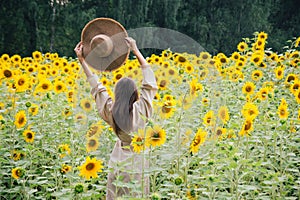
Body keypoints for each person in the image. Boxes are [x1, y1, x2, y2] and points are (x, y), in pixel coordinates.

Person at [74, 37, 158, 199]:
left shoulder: (112, 110)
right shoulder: (142, 109)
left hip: (117, 164)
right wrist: (135, 49)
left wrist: (82, 60)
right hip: (138, 164)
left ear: (117, 94)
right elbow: (149, 82)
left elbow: (96, 86)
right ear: (135, 93)